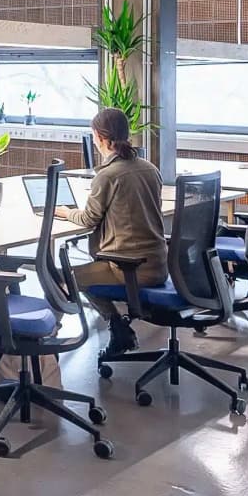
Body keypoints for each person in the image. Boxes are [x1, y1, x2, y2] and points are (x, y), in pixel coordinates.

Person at [56, 107, 167, 356]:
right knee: (83, 273)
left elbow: (87, 219)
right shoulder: (150, 168)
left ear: (101, 137)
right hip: (160, 264)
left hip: (128, 269)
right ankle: (119, 331)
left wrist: (65, 212)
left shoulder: (108, 175)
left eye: (94, 136)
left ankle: (42, 346)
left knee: (63, 278)